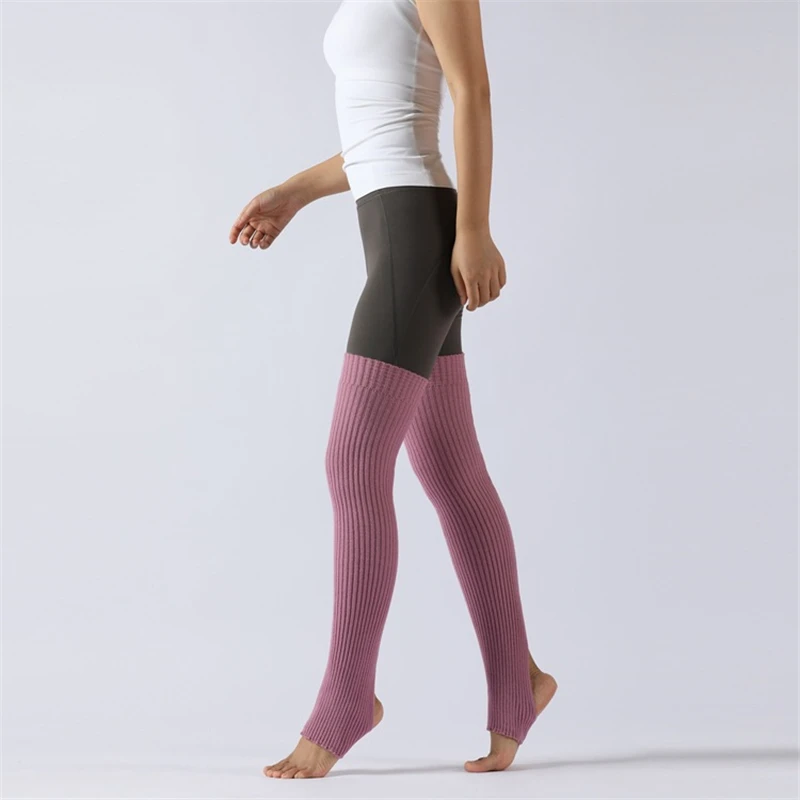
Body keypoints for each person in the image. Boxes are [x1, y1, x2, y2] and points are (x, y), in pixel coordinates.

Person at [228, 0, 558, 780]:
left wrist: (473, 229)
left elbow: (472, 91)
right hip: (394, 228)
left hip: (421, 236)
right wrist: (294, 191)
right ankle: (518, 682)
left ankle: (348, 697)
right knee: (452, 473)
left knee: (353, 463)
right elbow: (380, 134)